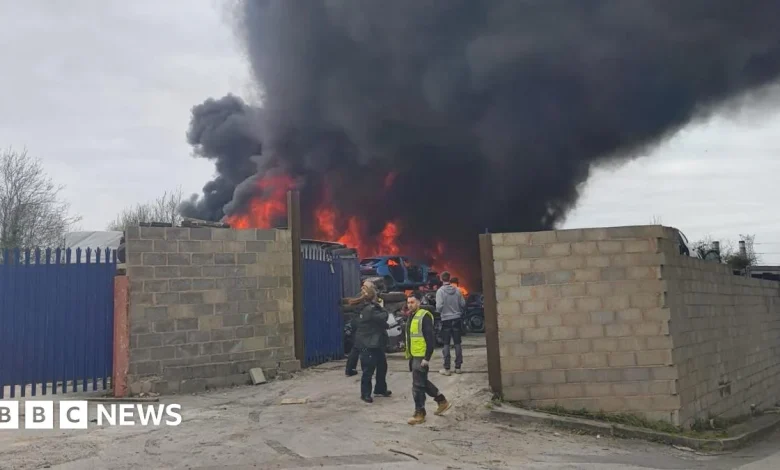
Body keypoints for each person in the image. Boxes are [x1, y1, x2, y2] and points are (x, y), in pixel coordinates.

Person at [405, 292, 452, 425]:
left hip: (421, 356)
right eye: (408, 302)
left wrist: (427, 357)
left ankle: (420, 413)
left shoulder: (424, 316)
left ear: (419, 302)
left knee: (417, 386)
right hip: (414, 355)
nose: (409, 305)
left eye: (412, 302)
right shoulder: (412, 316)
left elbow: (430, 338)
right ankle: (442, 401)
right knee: (422, 382)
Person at [353, 285, 392, 402]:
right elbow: (383, 317)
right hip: (369, 342)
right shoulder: (371, 309)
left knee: (381, 366)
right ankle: (365, 393)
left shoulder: (362, 308)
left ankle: (380, 389)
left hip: (373, 342)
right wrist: (381, 307)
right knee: (368, 369)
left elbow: (377, 323)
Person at [344, 280, 377, 377]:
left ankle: (350, 369)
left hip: (356, 321)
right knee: (360, 346)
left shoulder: (360, 295)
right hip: (361, 322)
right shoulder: (367, 297)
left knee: (356, 346)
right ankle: (353, 369)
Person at [435, 271, 466, 375]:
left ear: (441, 279)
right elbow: (463, 304)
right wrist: (458, 311)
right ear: (449, 278)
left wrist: (442, 312)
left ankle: (447, 368)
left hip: (446, 320)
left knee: (446, 344)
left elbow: (439, 306)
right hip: (457, 319)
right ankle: (458, 367)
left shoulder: (440, 291)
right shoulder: (457, 290)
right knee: (457, 343)